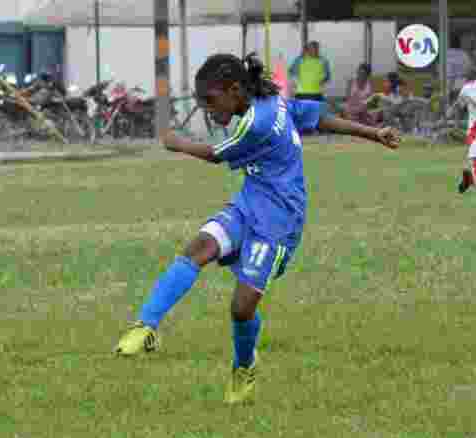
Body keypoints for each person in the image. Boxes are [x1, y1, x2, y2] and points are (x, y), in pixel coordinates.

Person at [115, 53, 399, 403]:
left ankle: (244, 367)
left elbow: (216, 154)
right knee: (199, 247)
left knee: (241, 309)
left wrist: (176, 144)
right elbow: (317, 118)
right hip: (249, 204)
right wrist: (373, 133)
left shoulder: (257, 123)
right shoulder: (272, 101)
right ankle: (146, 325)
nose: (207, 108)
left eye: (210, 100)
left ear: (234, 91)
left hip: (279, 221)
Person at [446, 66, 476, 194]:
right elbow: (459, 105)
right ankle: (473, 177)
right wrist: (452, 120)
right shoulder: (468, 89)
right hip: (475, 132)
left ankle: (470, 178)